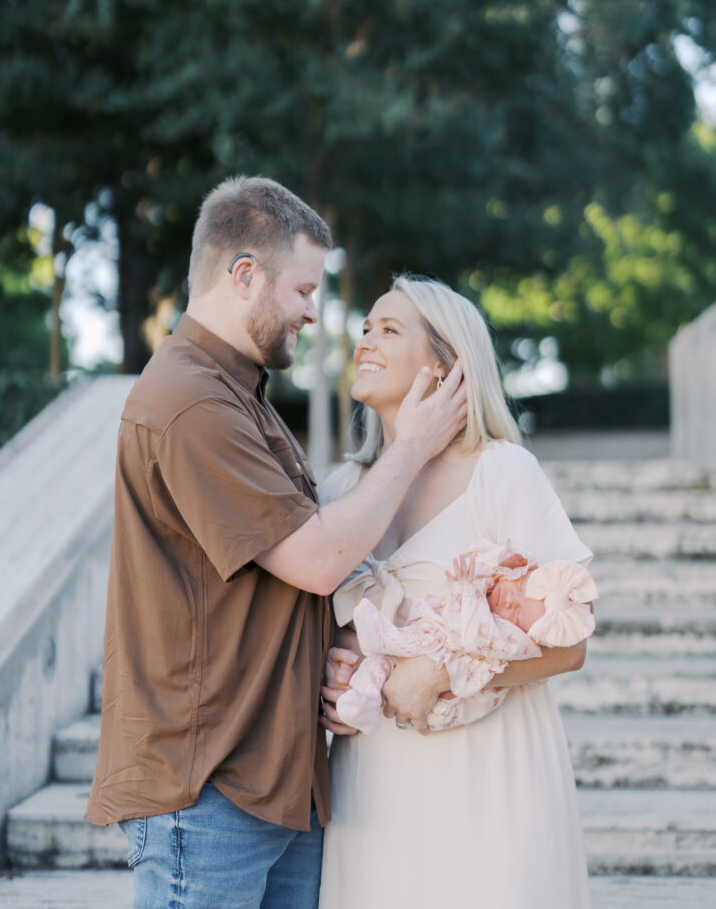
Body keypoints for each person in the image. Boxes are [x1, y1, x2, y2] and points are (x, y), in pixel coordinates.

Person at [85, 179, 466, 909]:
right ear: (244, 275)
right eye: (301, 289)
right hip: (208, 792)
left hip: (272, 782)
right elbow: (316, 561)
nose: (312, 312)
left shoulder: (235, 393)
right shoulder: (191, 401)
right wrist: (412, 446)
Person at [318, 274, 594, 909]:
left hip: (489, 778)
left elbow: (571, 645)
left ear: (445, 365)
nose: (365, 340)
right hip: (374, 789)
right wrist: (333, 672)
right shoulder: (339, 492)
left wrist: (440, 672)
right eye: (364, 327)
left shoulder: (501, 472)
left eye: (390, 329)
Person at [336, 539, 598, 734]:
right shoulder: (500, 591)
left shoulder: (510, 640)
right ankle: (365, 701)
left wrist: (468, 588)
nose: (508, 601)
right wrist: (504, 562)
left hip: (445, 705)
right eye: (518, 587)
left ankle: (384, 639)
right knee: (381, 666)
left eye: (518, 615)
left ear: (530, 635)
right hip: (417, 678)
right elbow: (477, 559)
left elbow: (472, 635)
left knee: (410, 650)